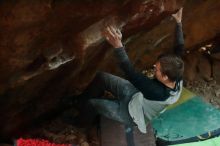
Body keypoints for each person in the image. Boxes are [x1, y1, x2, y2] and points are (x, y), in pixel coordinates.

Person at [70, 8, 184, 146]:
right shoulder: (176, 70)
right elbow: (179, 47)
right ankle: (78, 102)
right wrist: (178, 22)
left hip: (132, 114)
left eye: (158, 69)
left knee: (93, 104)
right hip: (137, 97)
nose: (155, 67)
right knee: (101, 77)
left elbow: (130, 73)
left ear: (165, 77)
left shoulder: (157, 92)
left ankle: (78, 123)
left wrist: (118, 46)